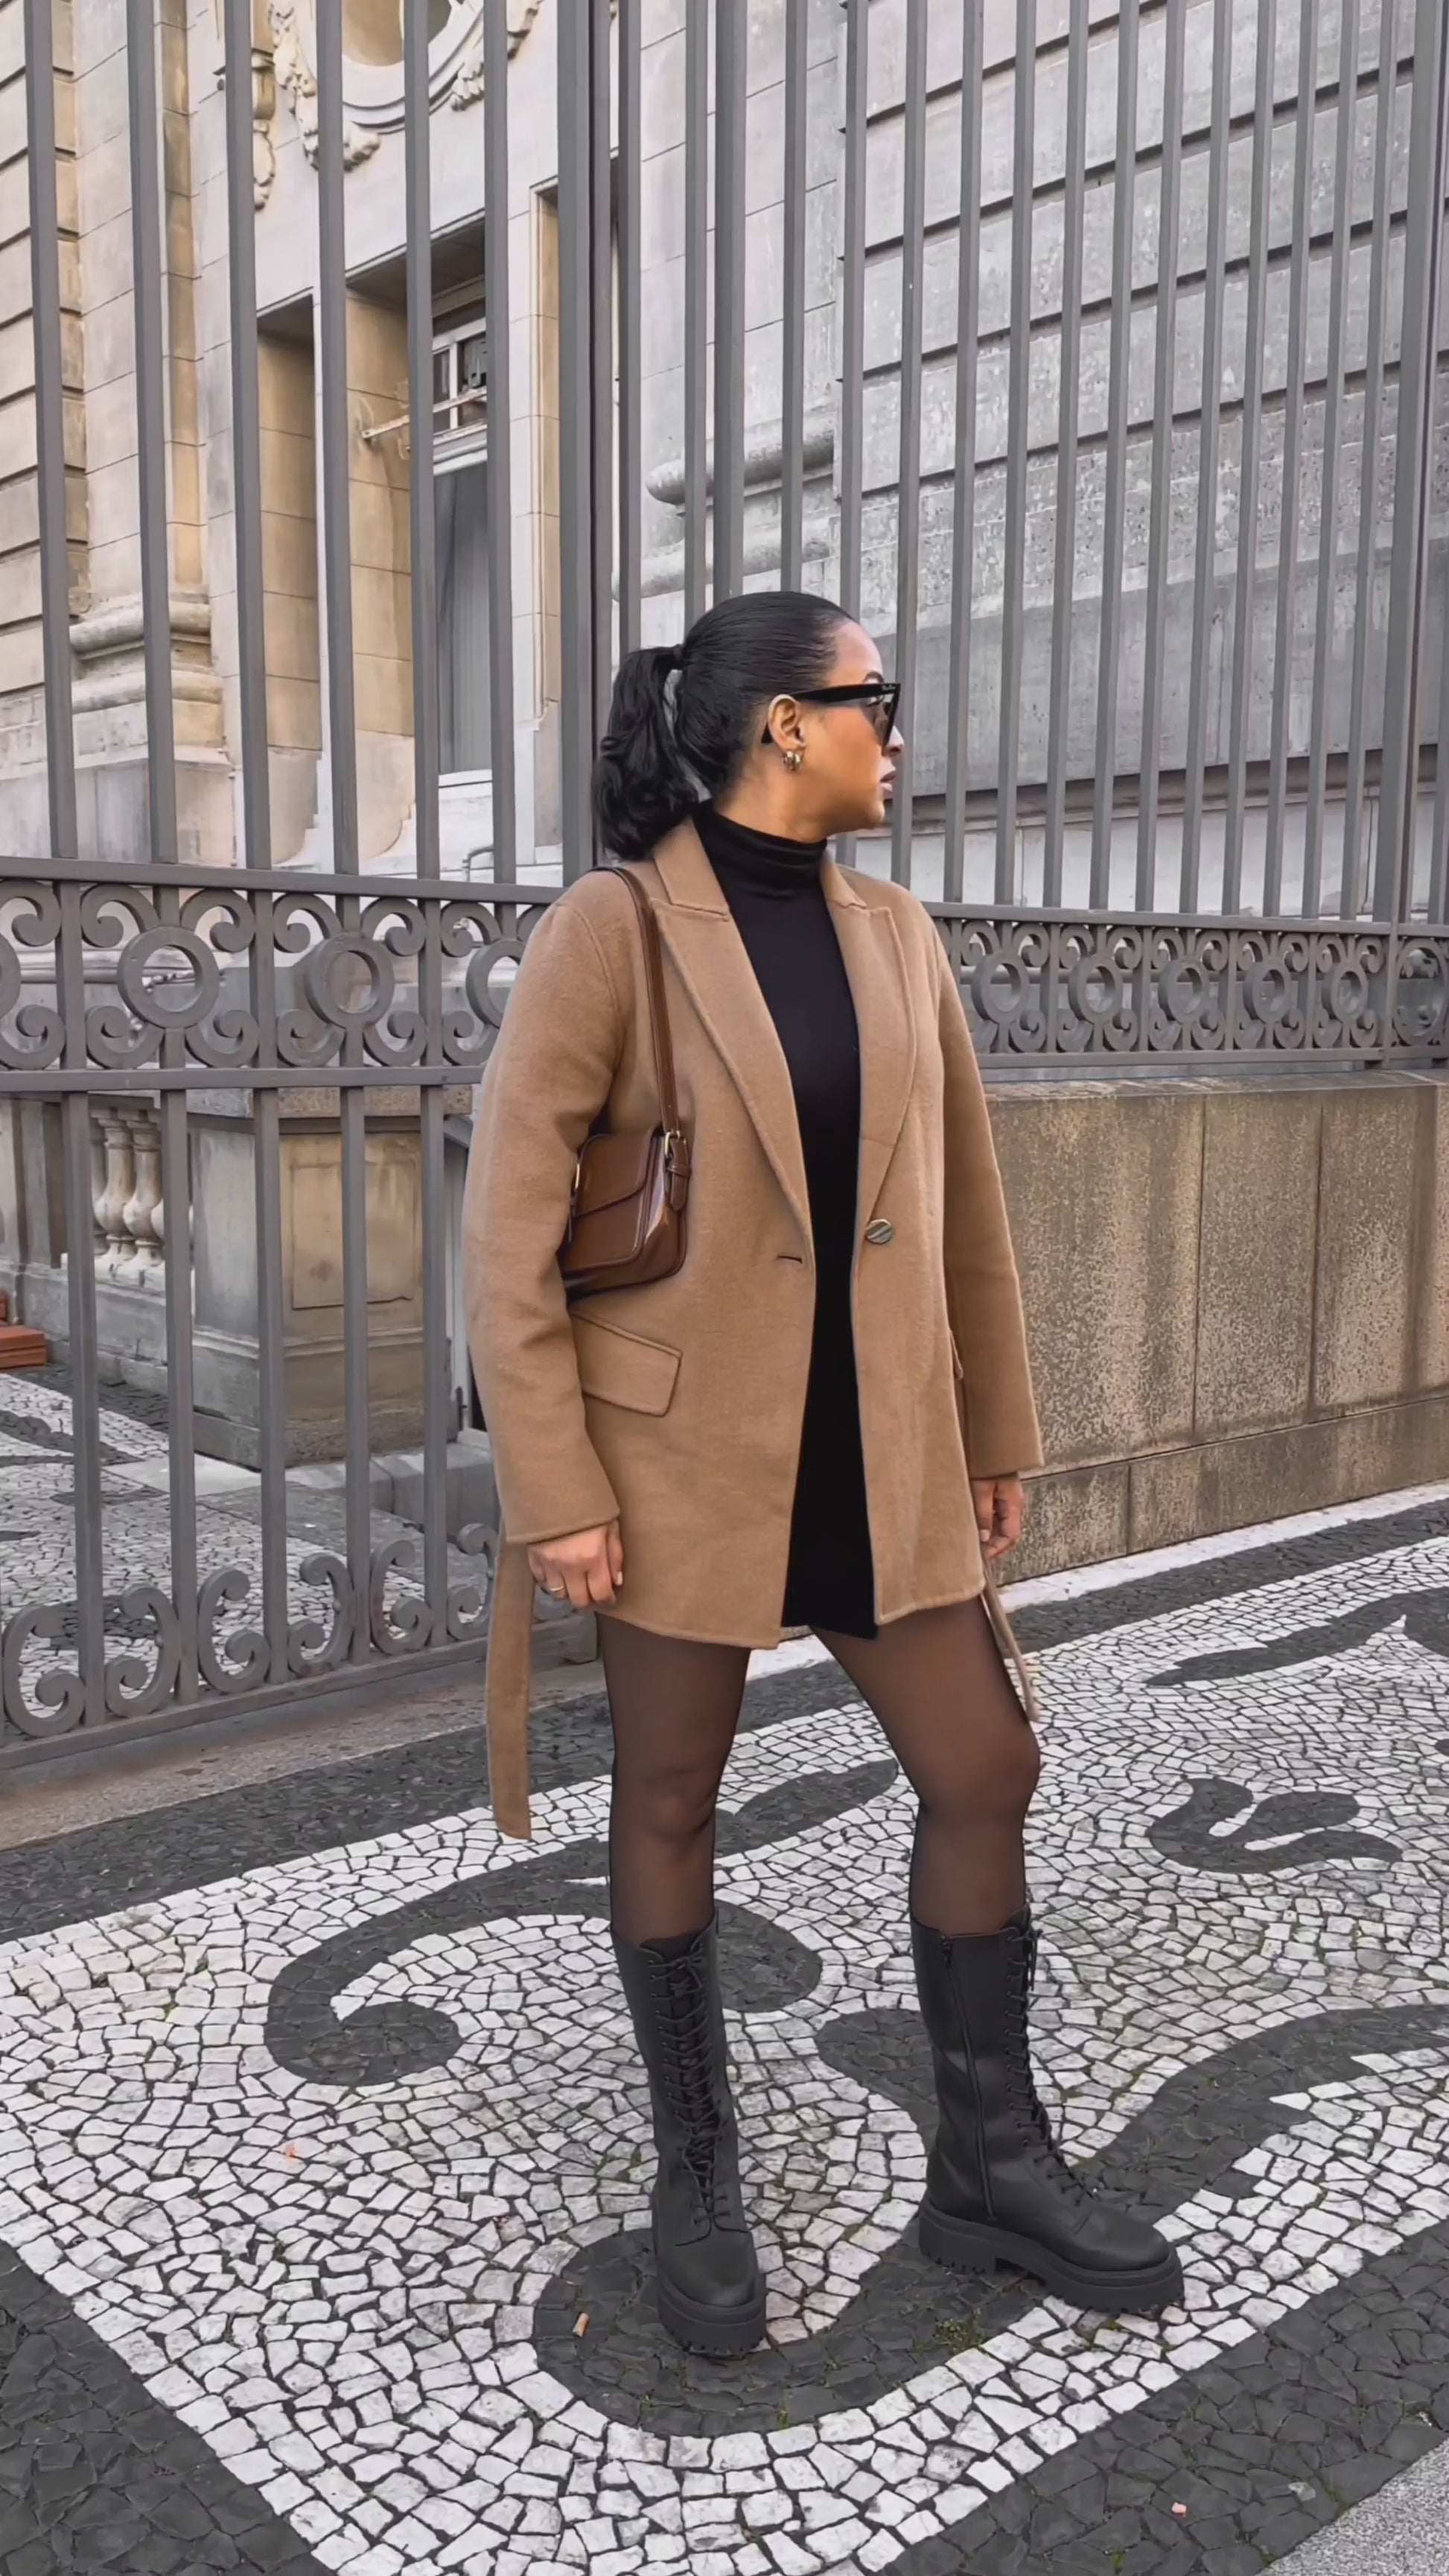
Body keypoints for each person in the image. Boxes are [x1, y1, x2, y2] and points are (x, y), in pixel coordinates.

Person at [463, 590, 1183, 2356]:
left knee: (985, 1758)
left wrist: (992, 1428)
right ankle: (697, 2166)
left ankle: (987, 2159)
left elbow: (966, 1207)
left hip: (879, 1444)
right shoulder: (616, 928)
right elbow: (506, 1230)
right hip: (675, 1457)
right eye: (879, 697)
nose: (900, 731)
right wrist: (555, 1483)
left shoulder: (894, 930)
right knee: (671, 1797)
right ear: (789, 723)